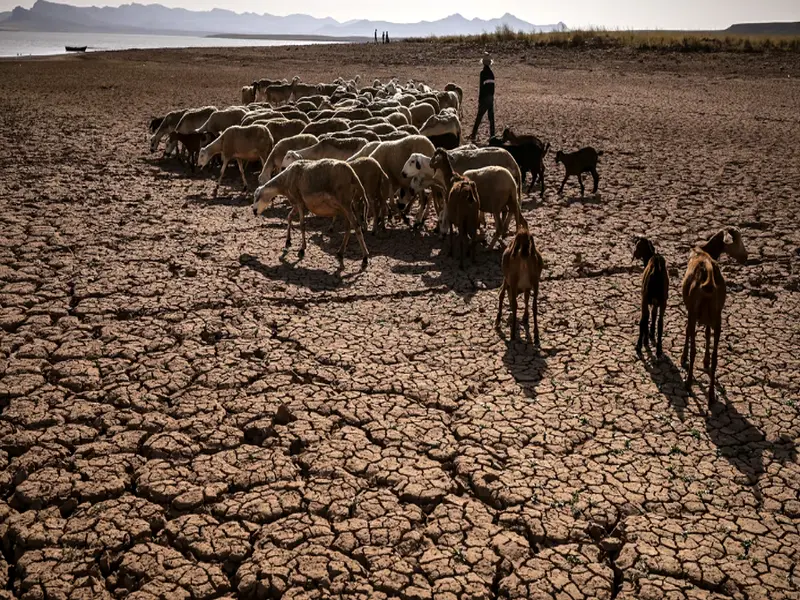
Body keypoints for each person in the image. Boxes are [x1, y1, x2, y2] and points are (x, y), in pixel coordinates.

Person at [470, 52, 495, 142]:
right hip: (490, 97)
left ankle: (473, 135)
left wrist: (480, 99)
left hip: (484, 98)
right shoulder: (492, 73)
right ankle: (493, 136)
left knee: (479, 117)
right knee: (491, 118)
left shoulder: (483, 73)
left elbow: (482, 87)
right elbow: (492, 87)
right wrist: (491, 97)